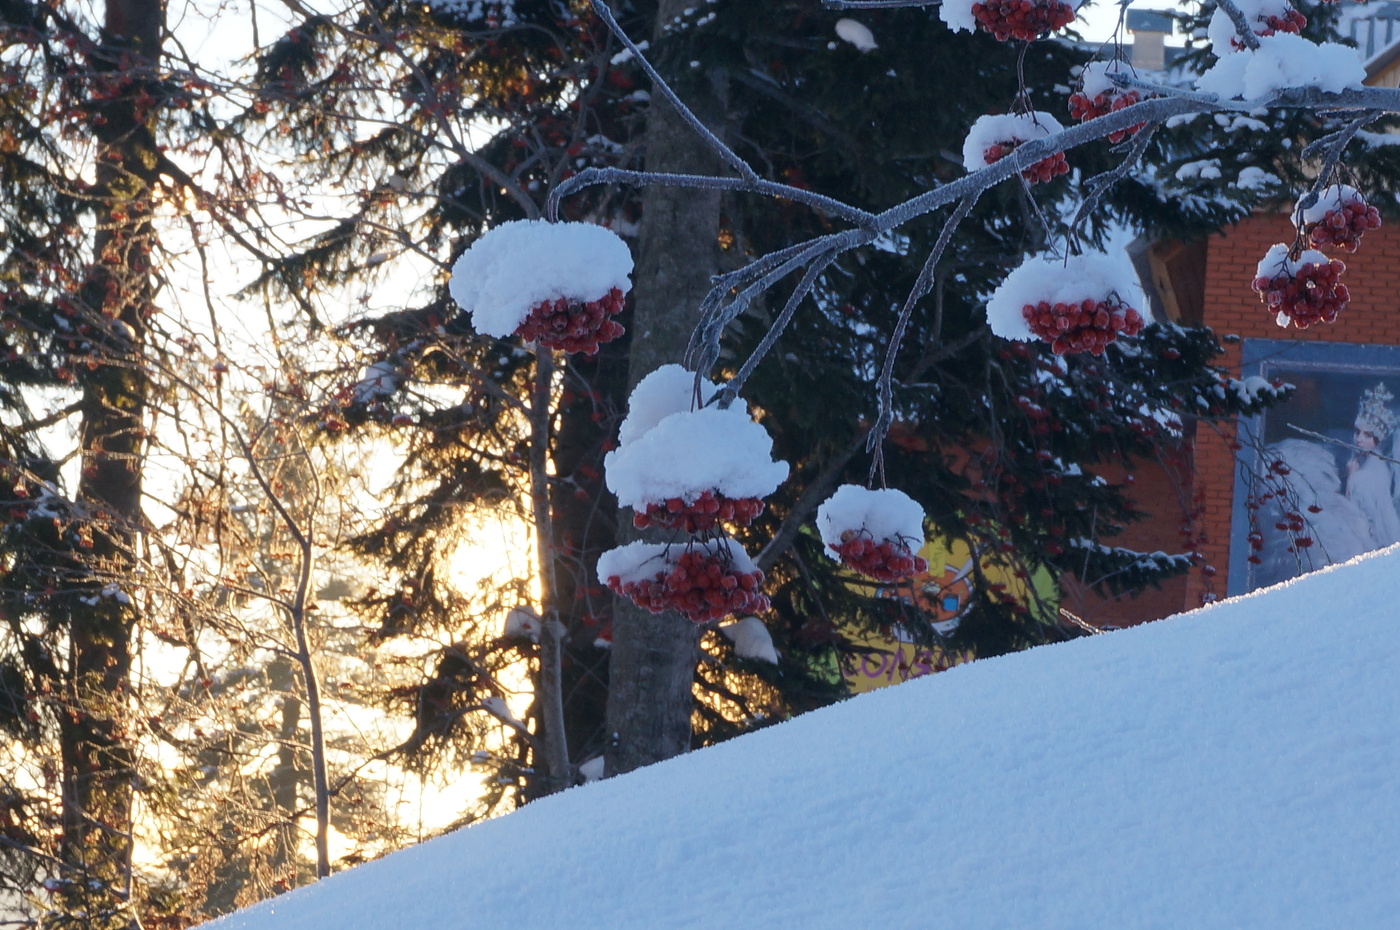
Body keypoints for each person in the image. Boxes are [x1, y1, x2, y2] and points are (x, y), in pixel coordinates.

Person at [1344, 383, 1400, 548]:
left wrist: (1351, 478)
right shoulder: (1370, 463)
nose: (1359, 439)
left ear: (1377, 439)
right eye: (1357, 432)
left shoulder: (1368, 474)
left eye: (1367, 435)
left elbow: (1353, 516)